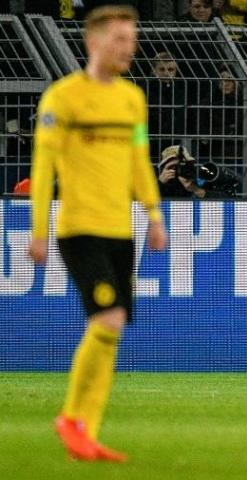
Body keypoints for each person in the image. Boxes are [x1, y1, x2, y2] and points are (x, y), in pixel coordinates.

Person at [28, 5, 167, 462]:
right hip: (78, 227)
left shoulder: (131, 99)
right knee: (107, 320)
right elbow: (44, 166)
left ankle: (84, 427)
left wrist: (154, 213)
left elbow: (137, 158)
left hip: (119, 229)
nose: (130, 48)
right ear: (94, 42)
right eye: (120, 39)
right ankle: (72, 419)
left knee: (113, 326)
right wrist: (38, 229)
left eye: (132, 39)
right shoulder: (63, 98)